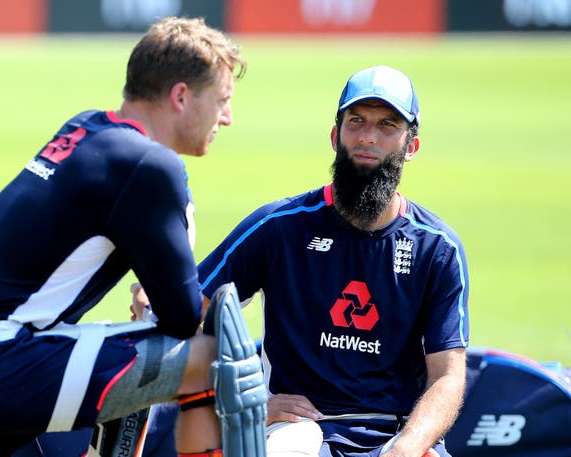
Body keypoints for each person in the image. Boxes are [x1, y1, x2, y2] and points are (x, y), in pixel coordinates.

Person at [0, 16, 266, 457]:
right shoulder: (149, 165)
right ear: (181, 96)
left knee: (121, 345)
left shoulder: (88, 127)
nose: (228, 117)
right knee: (211, 359)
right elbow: (182, 319)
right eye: (221, 100)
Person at [132, 65, 469, 457]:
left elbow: (447, 375)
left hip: (396, 432)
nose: (368, 137)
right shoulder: (278, 226)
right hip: (298, 429)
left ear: (411, 146)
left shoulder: (438, 247)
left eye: (388, 125)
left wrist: (407, 448)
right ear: (335, 136)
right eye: (356, 121)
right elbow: (187, 313)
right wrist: (248, 402)